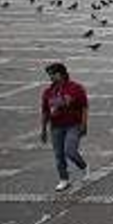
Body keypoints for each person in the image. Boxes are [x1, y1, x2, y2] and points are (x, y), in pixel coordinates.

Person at [40, 62, 89, 192]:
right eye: (49, 74)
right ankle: (64, 179)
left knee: (70, 151)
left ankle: (83, 166)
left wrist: (84, 124)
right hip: (56, 126)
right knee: (59, 154)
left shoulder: (75, 88)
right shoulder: (48, 92)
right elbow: (45, 111)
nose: (51, 77)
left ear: (61, 74)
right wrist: (43, 129)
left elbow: (84, 107)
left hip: (74, 125)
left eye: (53, 74)